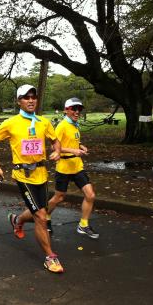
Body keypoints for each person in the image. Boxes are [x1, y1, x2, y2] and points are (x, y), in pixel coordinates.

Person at [0, 84, 64, 273]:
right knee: (41, 216)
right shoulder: (11, 123)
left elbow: (55, 141)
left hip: (41, 174)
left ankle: (17, 220)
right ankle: (50, 257)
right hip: (23, 175)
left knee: (39, 210)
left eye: (33, 97)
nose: (30, 100)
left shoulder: (43, 122)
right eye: (26, 97)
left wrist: (58, 151)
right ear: (19, 101)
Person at [47, 97, 99, 239]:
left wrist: (80, 146)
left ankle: (83, 224)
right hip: (64, 167)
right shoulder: (62, 125)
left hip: (77, 166)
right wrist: (73, 150)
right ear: (66, 110)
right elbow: (53, 146)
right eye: (74, 109)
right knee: (59, 197)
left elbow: (72, 139)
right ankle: (46, 217)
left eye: (79, 109)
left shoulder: (75, 124)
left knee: (90, 195)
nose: (77, 111)